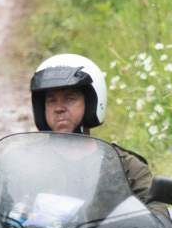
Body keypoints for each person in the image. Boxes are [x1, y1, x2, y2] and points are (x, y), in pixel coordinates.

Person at [30, 53, 161, 210]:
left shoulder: (126, 167)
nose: (59, 108)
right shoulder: (24, 161)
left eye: (70, 98)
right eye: (51, 100)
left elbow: (158, 221)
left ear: (91, 104)